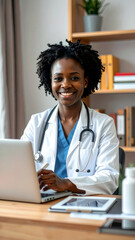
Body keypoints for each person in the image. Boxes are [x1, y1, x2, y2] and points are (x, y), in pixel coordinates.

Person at [21, 39, 119, 195]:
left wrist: (67, 183)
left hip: (84, 206)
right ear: (50, 82)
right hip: (43, 204)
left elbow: (109, 178)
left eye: (74, 78)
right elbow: (19, 169)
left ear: (85, 82)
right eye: (58, 78)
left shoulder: (103, 124)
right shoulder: (37, 122)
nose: (65, 85)